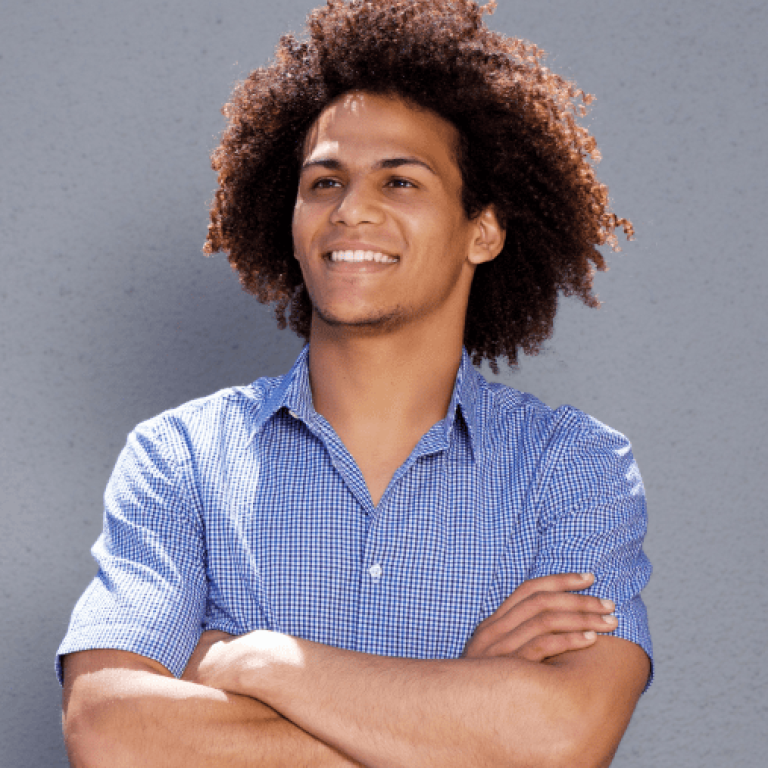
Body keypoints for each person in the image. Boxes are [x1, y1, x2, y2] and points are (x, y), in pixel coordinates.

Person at [59, 1, 652, 765]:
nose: (352, 210)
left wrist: (257, 663)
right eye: (325, 181)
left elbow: (564, 738)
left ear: (484, 231)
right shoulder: (182, 456)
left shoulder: (573, 467)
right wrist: (459, 712)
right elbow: (111, 734)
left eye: (400, 182)